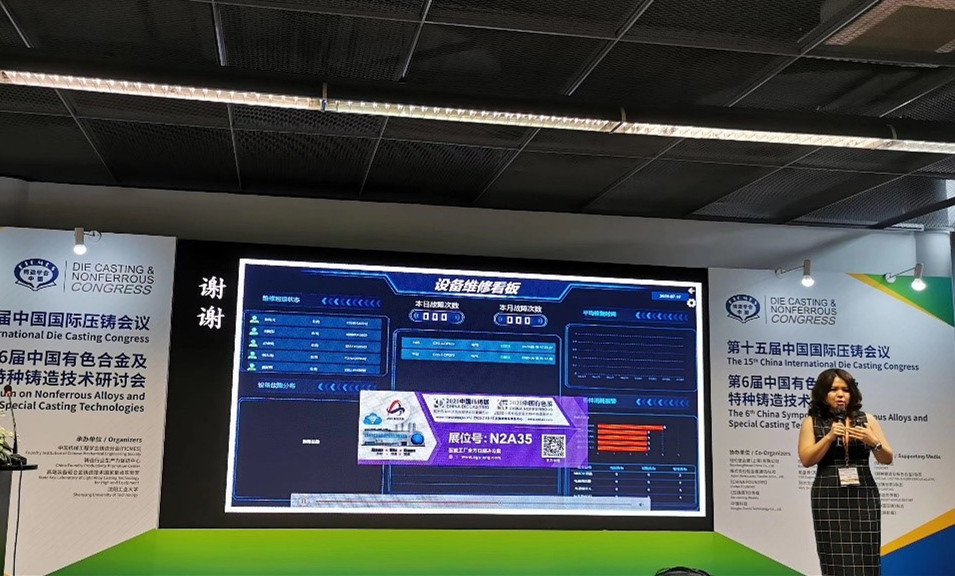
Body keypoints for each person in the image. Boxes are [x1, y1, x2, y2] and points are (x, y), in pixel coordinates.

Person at [798, 368, 893, 576]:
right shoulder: (812, 422)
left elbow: (887, 458)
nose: (840, 394)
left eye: (846, 390)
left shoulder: (867, 420)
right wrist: (829, 437)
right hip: (828, 494)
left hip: (863, 494)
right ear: (823, 393)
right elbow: (806, 459)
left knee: (866, 556)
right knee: (834, 557)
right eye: (833, 389)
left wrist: (873, 441)